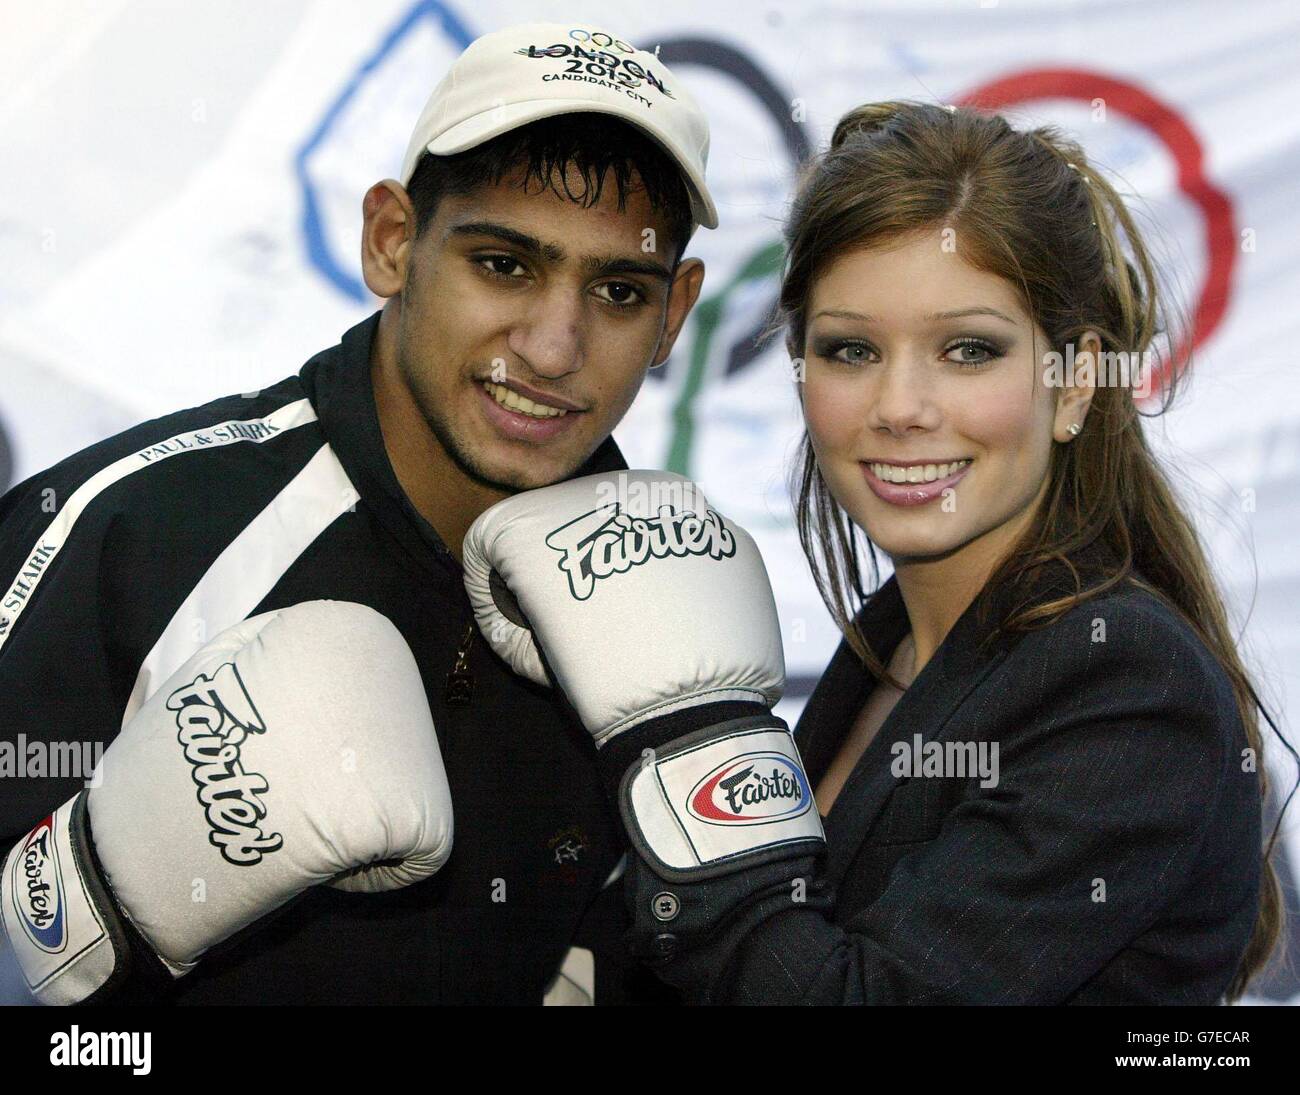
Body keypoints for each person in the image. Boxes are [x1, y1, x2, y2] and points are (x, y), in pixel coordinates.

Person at [464, 100, 1291, 1004]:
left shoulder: (1126, 682)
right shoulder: (898, 637)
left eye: (968, 350)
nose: (899, 406)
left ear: (1074, 381)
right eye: (852, 349)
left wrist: (688, 738)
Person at [0, 21, 713, 1005]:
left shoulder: (672, 621)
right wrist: (76, 925)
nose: (554, 348)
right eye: (504, 264)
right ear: (392, 242)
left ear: (674, 312)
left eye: (618, 290)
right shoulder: (135, 530)